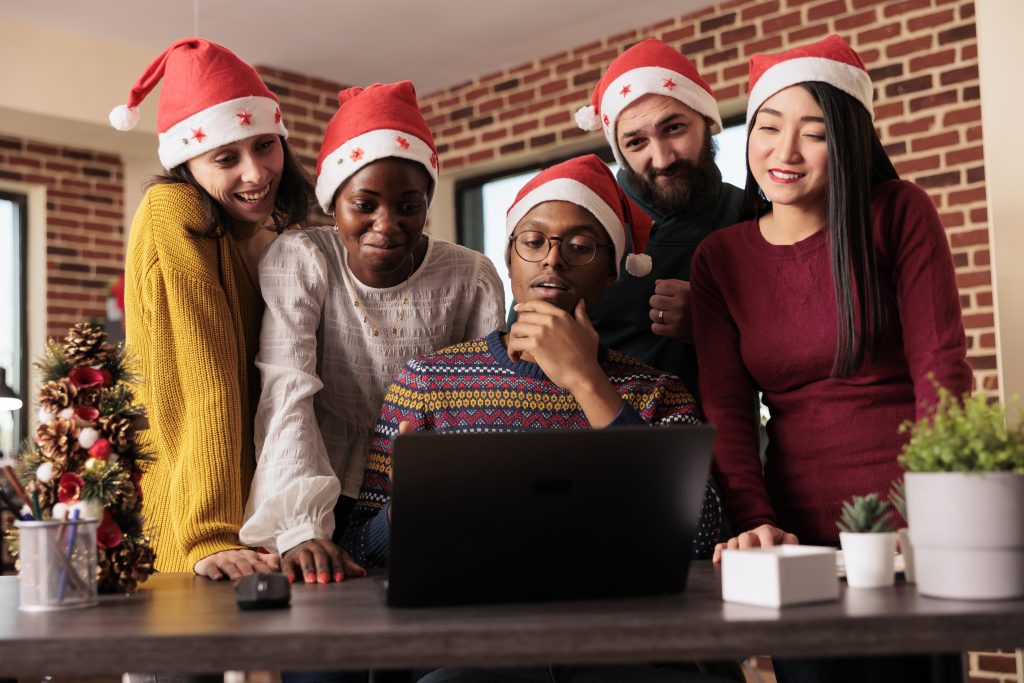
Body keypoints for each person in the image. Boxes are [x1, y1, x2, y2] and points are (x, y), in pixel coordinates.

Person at [341, 155, 723, 683]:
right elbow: (359, 552)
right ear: (509, 258)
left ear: (613, 270)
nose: (553, 262)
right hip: (466, 655)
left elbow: (701, 538)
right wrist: (401, 512)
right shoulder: (427, 381)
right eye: (534, 241)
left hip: (623, 651)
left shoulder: (656, 392)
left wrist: (586, 382)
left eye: (580, 245)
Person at [693, 34, 971, 558]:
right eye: (768, 127)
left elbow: (941, 365)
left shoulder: (898, 212)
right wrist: (756, 520)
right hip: (793, 535)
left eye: (814, 133)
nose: (784, 151)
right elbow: (727, 409)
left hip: (913, 521)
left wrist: (939, 500)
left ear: (847, 141)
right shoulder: (720, 258)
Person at [239, 81, 506, 586]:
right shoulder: (304, 258)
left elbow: (483, 399)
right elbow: (287, 387)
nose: (387, 225)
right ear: (333, 202)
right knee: (320, 653)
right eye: (364, 205)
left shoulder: (470, 275)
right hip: (322, 486)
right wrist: (299, 528)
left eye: (410, 205)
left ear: (428, 202)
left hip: (432, 494)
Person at [116, 38, 314, 579]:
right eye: (226, 158)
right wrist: (210, 533)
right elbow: (206, 375)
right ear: (187, 162)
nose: (256, 172)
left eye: (266, 146)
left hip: (251, 516)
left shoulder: (267, 232)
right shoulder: (173, 209)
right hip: (192, 522)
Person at [572, 38, 745, 395]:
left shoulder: (751, 215)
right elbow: (528, 356)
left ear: (707, 121)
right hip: (593, 445)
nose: (663, 158)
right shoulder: (580, 218)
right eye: (636, 143)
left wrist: (716, 323)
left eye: (675, 129)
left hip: (723, 440)